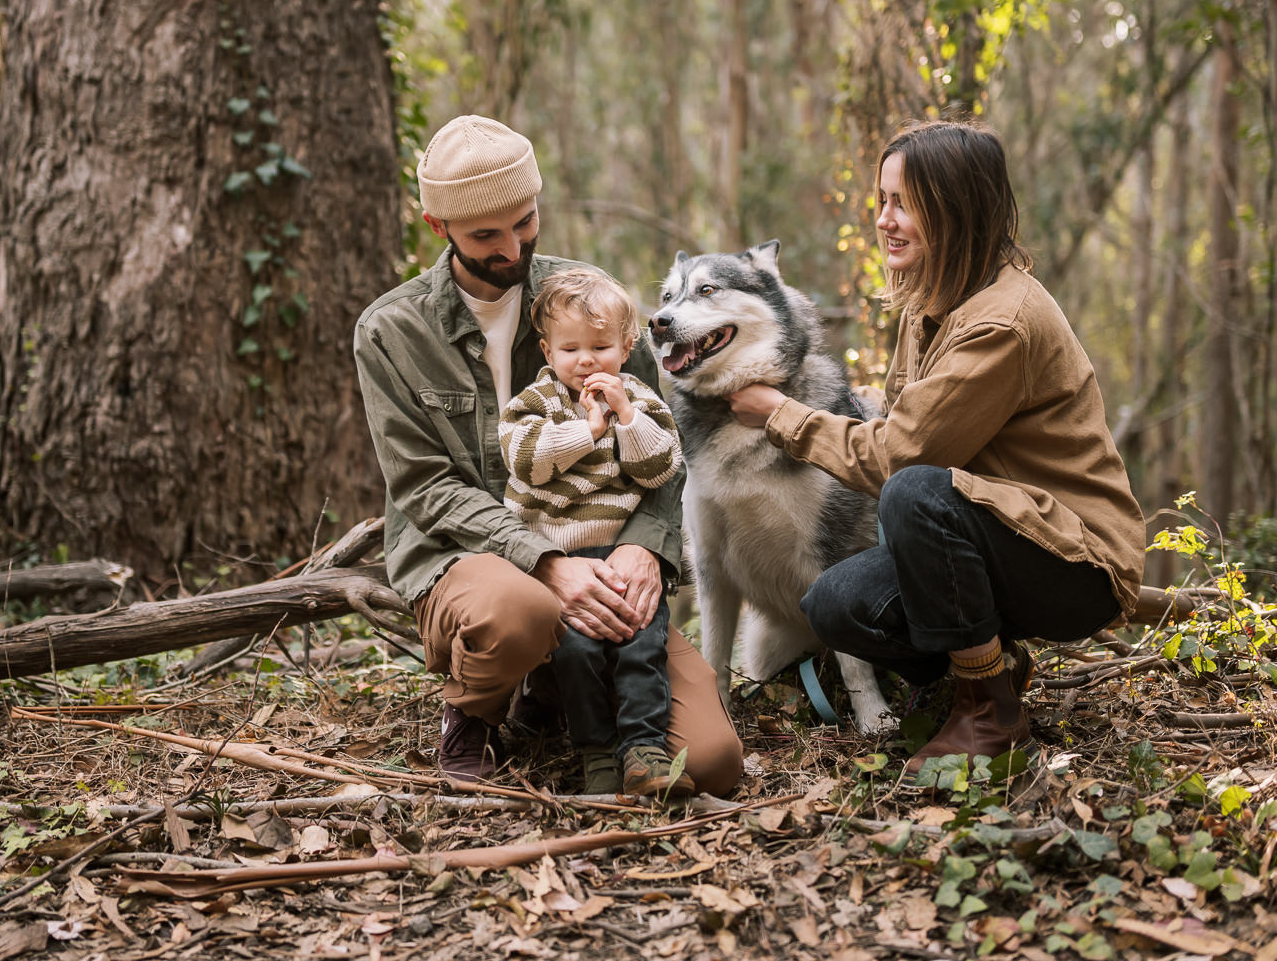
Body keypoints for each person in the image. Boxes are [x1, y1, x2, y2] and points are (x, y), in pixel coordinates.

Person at [726, 119, 1145, 786]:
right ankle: (986, 660)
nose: (884, 221)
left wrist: (781, 413)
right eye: (881, 201)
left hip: (1073, 560)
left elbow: (898, 457)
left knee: (913, 491)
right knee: (833, 606)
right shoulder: (929, 300)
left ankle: (989, 713)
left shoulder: (1001, 321)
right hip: (999, 535)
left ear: (951, 208)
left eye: (902, 204)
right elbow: (905, 417)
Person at [353, 113, 742, 793]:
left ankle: (555, 694)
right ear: (436, 226)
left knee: (708, 762)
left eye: (525, 221)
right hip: (466, 560)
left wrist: (644, 548)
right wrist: (544, 563)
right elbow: (425, 489)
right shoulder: (391, 331)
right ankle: (471, 714)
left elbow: (656, 444)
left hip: (599, 550)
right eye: (485, 235)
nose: (512, 247)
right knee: (521, 612)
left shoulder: (587, 301)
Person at [499, 268, 690, 796]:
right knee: (577, 652)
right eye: (570, 348)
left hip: (623, 554)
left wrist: (625, 415)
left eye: (601, 346)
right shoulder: (535, 403)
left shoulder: (643, 402)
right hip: (557, 559)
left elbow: (659, 469)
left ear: (627, 348)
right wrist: (587, 432)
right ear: (547, 351)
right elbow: (526, 462)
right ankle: (596, 751)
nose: (586, 361)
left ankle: (644, 749)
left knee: (639, 645)